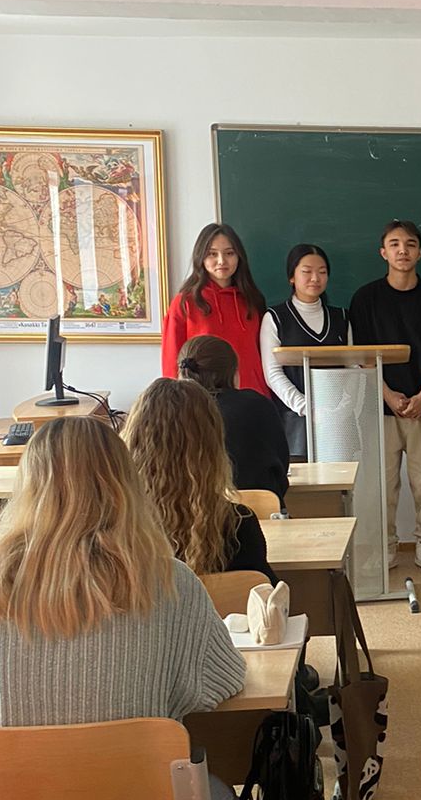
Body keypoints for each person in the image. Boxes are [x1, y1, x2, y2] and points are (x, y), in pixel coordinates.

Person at [0, 417, 245, 800]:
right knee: (220, 797)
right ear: (125, 483)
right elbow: (224, 680)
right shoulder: (169, 582)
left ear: (27, 487)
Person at [349, 220, 421, 576]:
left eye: (410, 244)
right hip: (380, 407)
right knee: (382, 485)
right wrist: (388, 395)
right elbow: (362, 354)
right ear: (383, 252)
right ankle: (386, 545)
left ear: (420, 252)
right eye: (394, 244)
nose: (402, 250)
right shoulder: (365, 298)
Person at [123, 378, 278, 583]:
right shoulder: (237, 527)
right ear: (212, 446)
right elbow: (266, 591)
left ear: (132, 442)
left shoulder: (117, 529)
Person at [178, 334, 290, 508]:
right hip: (262, 511)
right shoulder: (256, 404)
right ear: (234, 373)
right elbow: (281, 466)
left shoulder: (173, 410)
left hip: (188, 514)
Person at [260, 242, 350, 457]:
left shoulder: (341, 317)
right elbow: (273, 373)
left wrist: (343, 405)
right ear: (292, 277)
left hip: (339, 419)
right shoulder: (275, 318)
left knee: (342, 476)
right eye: (307, 272)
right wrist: (306, 407)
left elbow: (352, 366)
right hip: (294, 421)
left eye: (322, 272)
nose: (315, 278)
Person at [161, 222, 270, 398]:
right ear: (201, 257)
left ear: (239, 256)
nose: (221, 261)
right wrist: (177, 401)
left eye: (229, 253)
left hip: (253, 397)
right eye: (212, 254)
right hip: (203, 399)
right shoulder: (185, 302)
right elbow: (171, 361)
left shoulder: (252, 299)